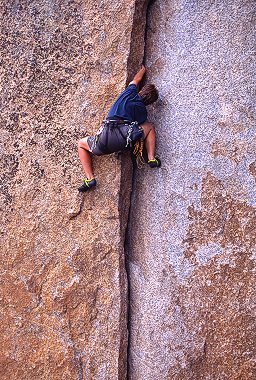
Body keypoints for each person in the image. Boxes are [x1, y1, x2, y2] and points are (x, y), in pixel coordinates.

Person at [77, 64, 161, 192]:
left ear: (141, 91)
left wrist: (142, 70)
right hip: (123, 140)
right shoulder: (143, 113)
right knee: (149, 127)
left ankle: (90, 178)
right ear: (149, 103)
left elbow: (136, 80)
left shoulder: (129, 92)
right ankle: (151, 158)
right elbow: (138, 128)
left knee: (81, 144)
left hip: (104, 141)